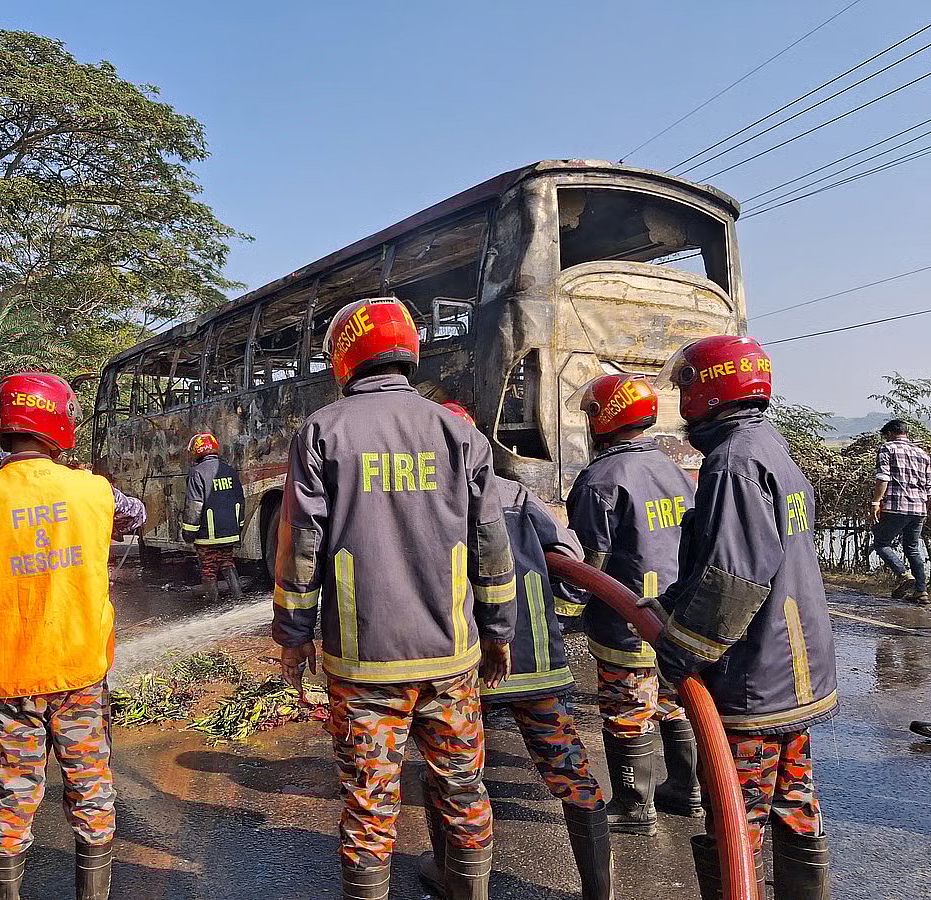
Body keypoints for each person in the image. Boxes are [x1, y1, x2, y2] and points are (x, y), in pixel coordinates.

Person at [272, 298, 517, 900]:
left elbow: (302, 546)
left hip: (364, 664)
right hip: (451, 659)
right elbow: (491, 542)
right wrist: (499, 631)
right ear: (409, 351)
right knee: (462, 790)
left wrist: (293, 638)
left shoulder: (323, 432)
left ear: (343, 358)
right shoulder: (458, 431)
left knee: (369, 802)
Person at [0, 372, 146, 900]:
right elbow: (137, 516)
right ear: (59, 424)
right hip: (79, 675)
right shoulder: (94, 491)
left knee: (11, 802)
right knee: (93, 796)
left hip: (9, 684)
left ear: (1, 427)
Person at [654, 336, 837, 900]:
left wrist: (679, 654)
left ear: (706, 389)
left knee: (738, 817)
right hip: (796, 670)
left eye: (685, 383)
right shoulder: (772, 450)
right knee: (794, 800)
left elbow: (733, 577)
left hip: (756, 676)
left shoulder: (732, 461)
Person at [427, 402, 612, 900]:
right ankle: (600, 891)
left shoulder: (431, 502)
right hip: (537, 664)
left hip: (466, 668)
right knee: (569, 771)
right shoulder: (517, 495)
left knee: (452, 775)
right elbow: (571, 564)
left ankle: (454, 878)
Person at [563, 374, 701, 836]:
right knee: (674, 700)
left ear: (602, 420)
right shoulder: (672, 468)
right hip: (676, 616)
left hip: (626, 619)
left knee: (626, 705)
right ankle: (688, 790)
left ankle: (633, 804)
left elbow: (589, 564)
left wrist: (563, 616)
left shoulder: (601, 478)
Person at [868, 418, 929, 604]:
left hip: (897, 506)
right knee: (912, 548)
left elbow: (883, 478)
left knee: (881, 543)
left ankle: (903, 574)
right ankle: (921, 590)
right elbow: (929, 486)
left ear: (889, 434)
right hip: (919, 508)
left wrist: (875, 502)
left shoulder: (887, 449)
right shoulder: (922, 454)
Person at [181, 432, 246, 601]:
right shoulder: (230, 470)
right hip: (229, 532)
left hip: (207, 535)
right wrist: (238, 527)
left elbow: (194, 506)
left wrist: (188, 533)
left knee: (209, 568)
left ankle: (213, 607)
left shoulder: (197, 473)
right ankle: (239, 599)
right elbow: (240, 499)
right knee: (227, 562)